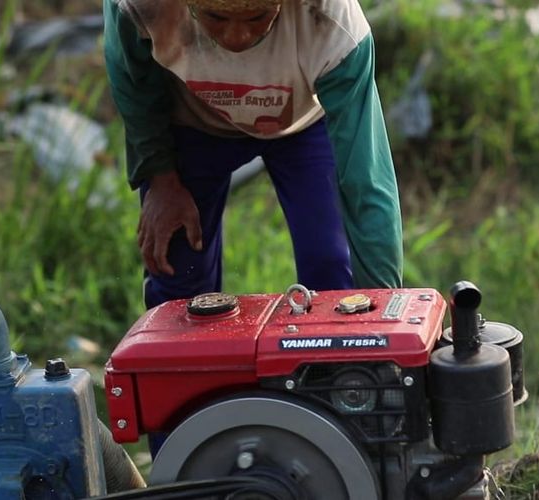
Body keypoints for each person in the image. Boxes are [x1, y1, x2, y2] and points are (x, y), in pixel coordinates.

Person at [103, 0, 403, 312]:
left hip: (303, 126)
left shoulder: (333, 24)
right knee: (178, 282)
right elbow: (133, 81)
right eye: (216, 17)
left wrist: (383, 312)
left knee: (332, 265)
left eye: (257, 18)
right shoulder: (139, 6)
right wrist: (160, 175)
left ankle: (334, 360)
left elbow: (364, 181)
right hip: (192, 124)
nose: (237, 38)